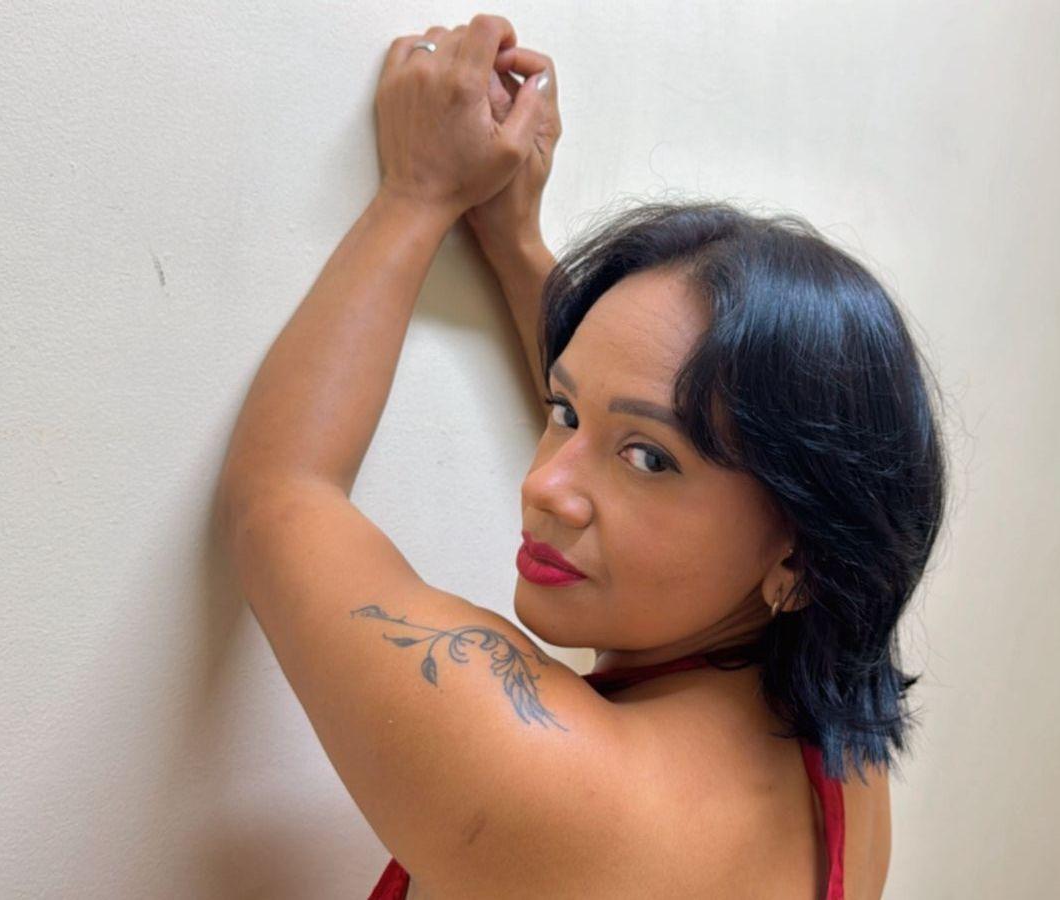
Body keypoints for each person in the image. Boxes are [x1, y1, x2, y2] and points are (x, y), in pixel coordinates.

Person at [217, 15, 947, 899]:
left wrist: (417, 192)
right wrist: (515, 240)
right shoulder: (843, 767)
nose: (544, 485)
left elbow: (278, 497)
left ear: (802, 557)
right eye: (562, 413)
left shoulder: (546, 783)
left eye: (649, 461)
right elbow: (654, 392)